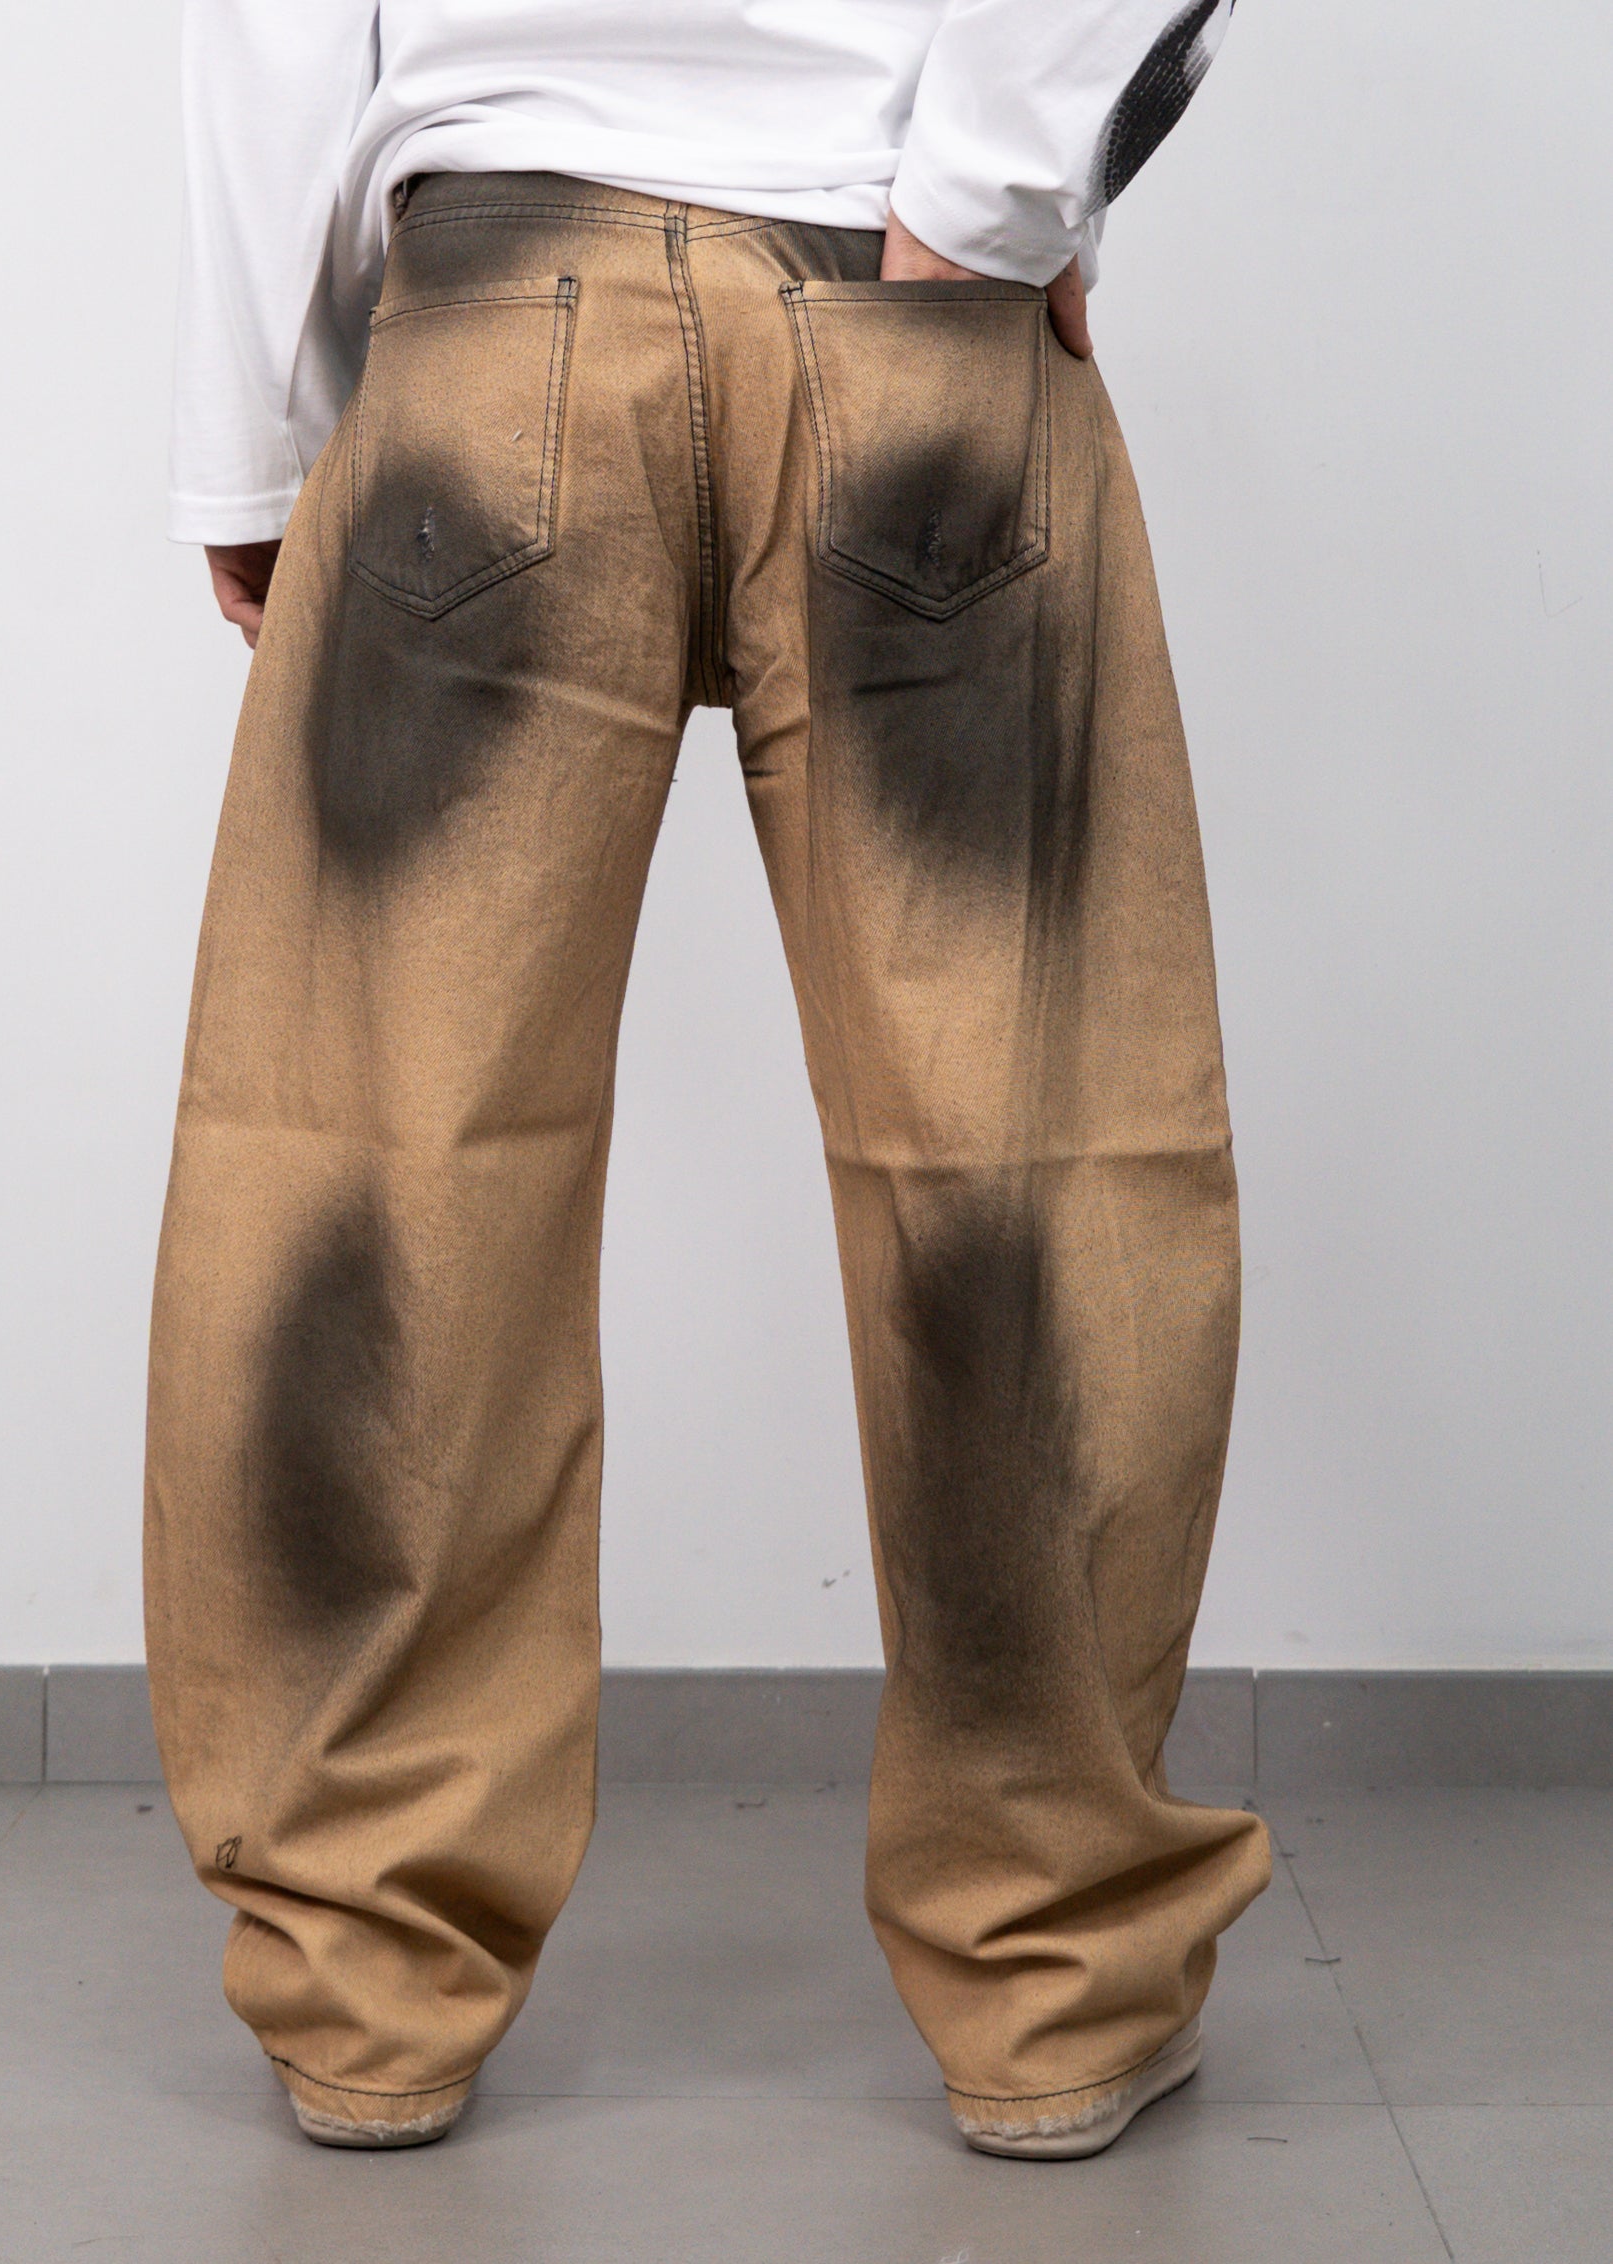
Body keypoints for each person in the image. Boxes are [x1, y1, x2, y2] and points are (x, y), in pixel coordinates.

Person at [148, 0, 1272, 2160]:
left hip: (490, 313)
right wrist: (989, 199)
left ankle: (364, 1980)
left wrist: (265, 428)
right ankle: (1055, 1980)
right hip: (911, 309)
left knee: (374, 1168)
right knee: (1032, 1175)